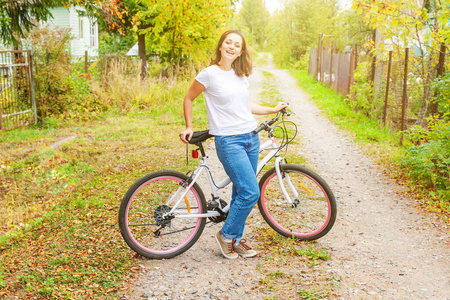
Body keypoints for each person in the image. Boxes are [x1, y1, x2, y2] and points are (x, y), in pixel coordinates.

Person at [179, 30, 288, 259]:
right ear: (220, 46)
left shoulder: (240, 75)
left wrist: (272, 109)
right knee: (250, 192)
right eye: (228, 42)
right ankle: (226, 235)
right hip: (229, 141)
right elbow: (188, 97)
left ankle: (235, 240)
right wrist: (189, 126)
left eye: (236, 45)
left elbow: (246, 106)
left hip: (250, 136)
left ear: (240, 51)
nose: (232, 47)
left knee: (241, 191)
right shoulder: (209, 74)